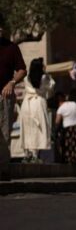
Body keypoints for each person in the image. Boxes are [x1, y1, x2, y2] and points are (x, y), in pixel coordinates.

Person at [0, 17, 27, 181]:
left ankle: (3, 170)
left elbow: (22, 70)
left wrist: (12, 82)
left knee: (4, 133)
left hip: (4, 96)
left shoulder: (11, 48)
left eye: (1, 27)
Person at [19, 58, 55, 162]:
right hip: (38, 102)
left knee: (27, 129)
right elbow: (52, 86)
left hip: (27, 104)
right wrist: (47, 73)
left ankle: (27, 154)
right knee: (39, 129)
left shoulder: (26, 78)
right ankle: (35, 155)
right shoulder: (44, 77)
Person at [55, 89, 76, 165]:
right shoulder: (75, 104)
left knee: (68, 145)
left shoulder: (61, 108)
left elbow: (57, 122)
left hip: (67, 128)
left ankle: (68, 161)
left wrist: (56, 132)